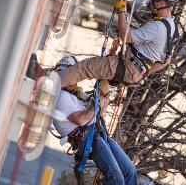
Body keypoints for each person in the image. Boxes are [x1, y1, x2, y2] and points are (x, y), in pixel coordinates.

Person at [61, 0, 179, 87]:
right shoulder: (172, 27)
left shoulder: (158, 26)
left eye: (153, 1)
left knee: (85, 67)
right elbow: (165, 61)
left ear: (162, 2)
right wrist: (143, 72)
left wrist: (121, 10)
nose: (150, 5)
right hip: (134, 70)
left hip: (129, 67)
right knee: (102, 87)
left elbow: (126, 37)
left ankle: (49, 82)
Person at [52, 56, 138, 185]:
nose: (72, 79)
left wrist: (105, 95)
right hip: (86, 138)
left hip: (97, 133)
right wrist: (97, 102)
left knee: (130, 172)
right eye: (68, 73)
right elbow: (81, 119)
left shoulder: (77, 94)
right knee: (116, 179)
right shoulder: (61, 97)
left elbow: (100, 113)